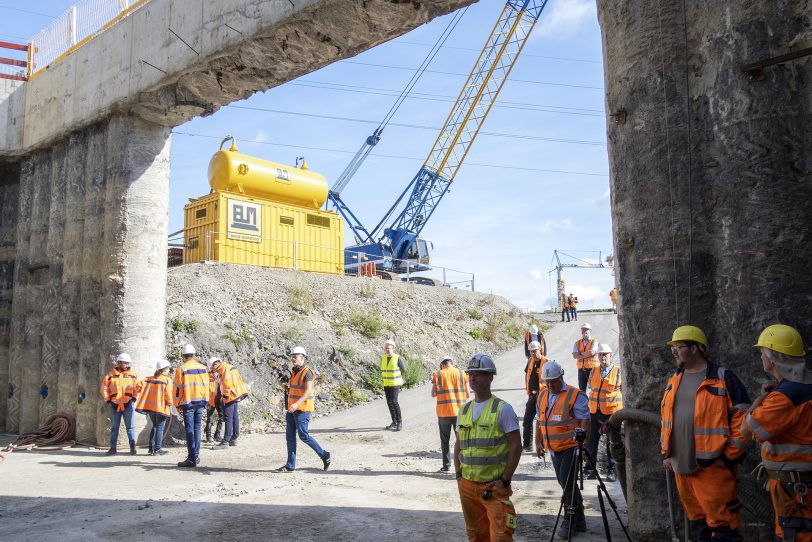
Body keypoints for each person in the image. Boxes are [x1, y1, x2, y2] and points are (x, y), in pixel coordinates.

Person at [660, 325, 750, 542]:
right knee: (699, 528)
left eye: (678, 346)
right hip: (682, 470)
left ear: (695, 348)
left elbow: (744, 418)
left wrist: (730, 455)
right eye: (672, 346)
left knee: (724, 530)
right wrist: (667, 454)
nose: (673, 351)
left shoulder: (723, 377)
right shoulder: (675, 379)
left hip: (713, 470)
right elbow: (667, 419)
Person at [741, 324, 812, 542]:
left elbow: (748, 429)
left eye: (762, 352)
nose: (761, 356)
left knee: (794, 535)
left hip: (794, 488)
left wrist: (760, 401)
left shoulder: (784, 397)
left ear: (773, 359)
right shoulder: (803, 387)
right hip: (802, 485)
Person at [454, 353, 521, 541]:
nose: (473, 378)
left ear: (490, 377)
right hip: (467, 485)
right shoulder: (464, 410)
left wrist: (505, 480)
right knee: (475, 535)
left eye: (479, 374)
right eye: (471, 374)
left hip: (493, 488)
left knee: (500, 536)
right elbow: (458, 444)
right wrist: (458, 475)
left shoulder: (503, 409)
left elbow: (516, 446)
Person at [536, 360, 590, 538]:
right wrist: (538, 442)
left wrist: (583, 446)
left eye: (553, 381)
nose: (550, 385)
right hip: (552, 448)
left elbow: (584, 420)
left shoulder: (575, 395)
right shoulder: (543, 395)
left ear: (561, 376)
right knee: (565, 483)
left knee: (567, 485)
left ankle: (570, 520)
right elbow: (540, 421)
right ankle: (580, 519)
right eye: (547, 381)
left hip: (570, 447)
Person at [277, 346, 331, 472]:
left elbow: (307, 391)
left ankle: (324, 455)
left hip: (302, 409)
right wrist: (282, 386)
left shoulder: (307, 372)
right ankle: (290, 466)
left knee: (304, 436)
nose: (293, 358)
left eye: (295, 356)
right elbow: (293, 390)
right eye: (292, 356)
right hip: (292, 409)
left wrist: (297, 404)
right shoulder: (294, 372)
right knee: (290, 437)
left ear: (302, 357)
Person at [584, 343, 622, 479]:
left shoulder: (618, 371)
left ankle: (612, 470)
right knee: (591, 441)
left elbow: (624, 390)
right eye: (600, 355)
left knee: (611, 442)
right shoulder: (593, 371)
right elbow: (590, 387)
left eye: (605, 354)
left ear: (610, 355)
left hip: (611, 413)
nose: (602, 357)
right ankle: (590, 469)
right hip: (594, 412)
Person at [173, 344, 209, 468]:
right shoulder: (203, 368)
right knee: (197, 429)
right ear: (194, 355)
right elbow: (207, 386)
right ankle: (196, 455)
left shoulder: (181, 369)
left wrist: (177, 404)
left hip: (188, 403)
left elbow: (178, 389)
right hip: (200, 402)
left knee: (190, 430)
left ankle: (191, 458)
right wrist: (206, 400)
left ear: (183, 356)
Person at [431, 356, 469, 472]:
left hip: (444, 413)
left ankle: (446, 466)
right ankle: (463, 467)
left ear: (442, 364)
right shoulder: (462, 374)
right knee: (461, 440)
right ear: (452, 363)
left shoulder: (438, 374)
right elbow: (467, 394)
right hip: (460, 413)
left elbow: (433, 394)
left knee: (445, 440)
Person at [100, 353, 142, 456]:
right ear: (118, 363)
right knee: (114, 427)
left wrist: (133, 398)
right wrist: (109, 400)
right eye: (124, 363)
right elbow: (104, 388)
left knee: (130, 427)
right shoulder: (110, 376)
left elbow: (137, 387)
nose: (126, 365)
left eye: (128, 363)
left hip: (128, 405)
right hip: (115, 405)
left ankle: (132, 448)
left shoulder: (133, 375)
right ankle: (112, 449)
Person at [209, 356, 249, 449]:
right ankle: (234, 438)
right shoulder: (229, 366)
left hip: (231, 395)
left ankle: (225, 441)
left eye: (212, 367)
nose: (212, 370)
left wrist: (225, 397)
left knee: (228, 418)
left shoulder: (224, 369)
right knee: (235, 417)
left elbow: (227, 384)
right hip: (237, 393)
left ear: (215, 364)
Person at [135, 359, 172, 456]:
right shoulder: (167, 380)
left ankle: (151, 448)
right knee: (159, 427)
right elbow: (168, 395)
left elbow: (137, 386)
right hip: (161, 408)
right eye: (168, 369)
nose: (169, 371)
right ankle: (157, 449)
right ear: (164, 369)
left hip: (150, 408)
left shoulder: (148, 378)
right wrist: (170, 403)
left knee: (155, 426)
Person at [522, 341, 547, 452]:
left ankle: (543, 445)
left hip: (543, 396)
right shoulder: (530, 361)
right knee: (527, 420)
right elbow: (526, 375)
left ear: (540, 350)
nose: (533, 353)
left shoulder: (546, 362)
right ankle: (527, 445)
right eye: (531, 351)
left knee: (542, 421)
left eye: (535, 351)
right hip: (532, 395)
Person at [381, 339, 406, 431]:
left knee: (394, 401)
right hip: (386, 383)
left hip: (395, 383)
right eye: (386, 348)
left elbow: (404, 370)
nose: (387, 349)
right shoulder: (383, 358)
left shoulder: (397, 358)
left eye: (389, 348)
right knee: (389, 402)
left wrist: (400, 378)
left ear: (393, 348)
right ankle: (394, 421)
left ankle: (400, 422)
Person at [572, 323, 599, 392]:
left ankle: (593, 402)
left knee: (594, 389)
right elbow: (575, 355)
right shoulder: (577, 343)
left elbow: (592, 352)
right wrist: (587, 354)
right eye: (583, 329)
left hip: (592, 370)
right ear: (581, 331)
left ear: (590, 331)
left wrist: (580, 354)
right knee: (581, 391)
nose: (585, 331)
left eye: (587, 329)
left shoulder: (594, 341)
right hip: (581, 370)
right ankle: (584, 403)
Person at [204, 366, 223, 444]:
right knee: (210, 419)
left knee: (222, 417)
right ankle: (208, 436)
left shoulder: (221, 375)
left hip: (220, 400)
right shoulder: (207, 375)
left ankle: (217, 435)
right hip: (210, 401)